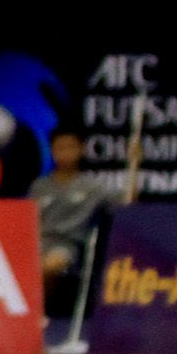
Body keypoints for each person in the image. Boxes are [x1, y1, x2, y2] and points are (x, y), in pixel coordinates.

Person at [29, 127, 122, 318]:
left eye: (70, 148)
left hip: (67, 246)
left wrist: (135, 164)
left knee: (49, 265)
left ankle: (33, 316)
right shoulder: (39, 187)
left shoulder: (93, 188)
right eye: (59, 148)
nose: (65, 153)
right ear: (52, 151)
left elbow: (127, 203)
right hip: (36, 244)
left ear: (80, 149)